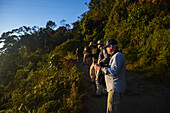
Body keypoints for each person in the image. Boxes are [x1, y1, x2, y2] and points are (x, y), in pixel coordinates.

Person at [95, 39, 126, 113]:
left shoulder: (117, 56)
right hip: (114, 87)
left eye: (107, 47)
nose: (106, 49)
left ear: (111, 46)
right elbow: (114, 68)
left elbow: (114, 71)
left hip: (115, 88)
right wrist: (105, 65)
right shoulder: (116, 56)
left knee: (112, 109)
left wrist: (101, 68)